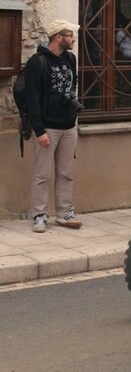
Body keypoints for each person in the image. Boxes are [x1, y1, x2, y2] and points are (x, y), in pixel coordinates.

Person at [27, 20, 83, 233]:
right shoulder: (37, 62)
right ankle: (39, 215)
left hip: (69, 126)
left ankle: (65, 212)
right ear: (58, 37)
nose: (73, 39)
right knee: (42, 174)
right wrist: (39, 129)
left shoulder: (70, 58)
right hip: (47, 127)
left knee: (66, 172)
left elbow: (73, 83)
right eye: (70, 35)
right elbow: (32, 98)